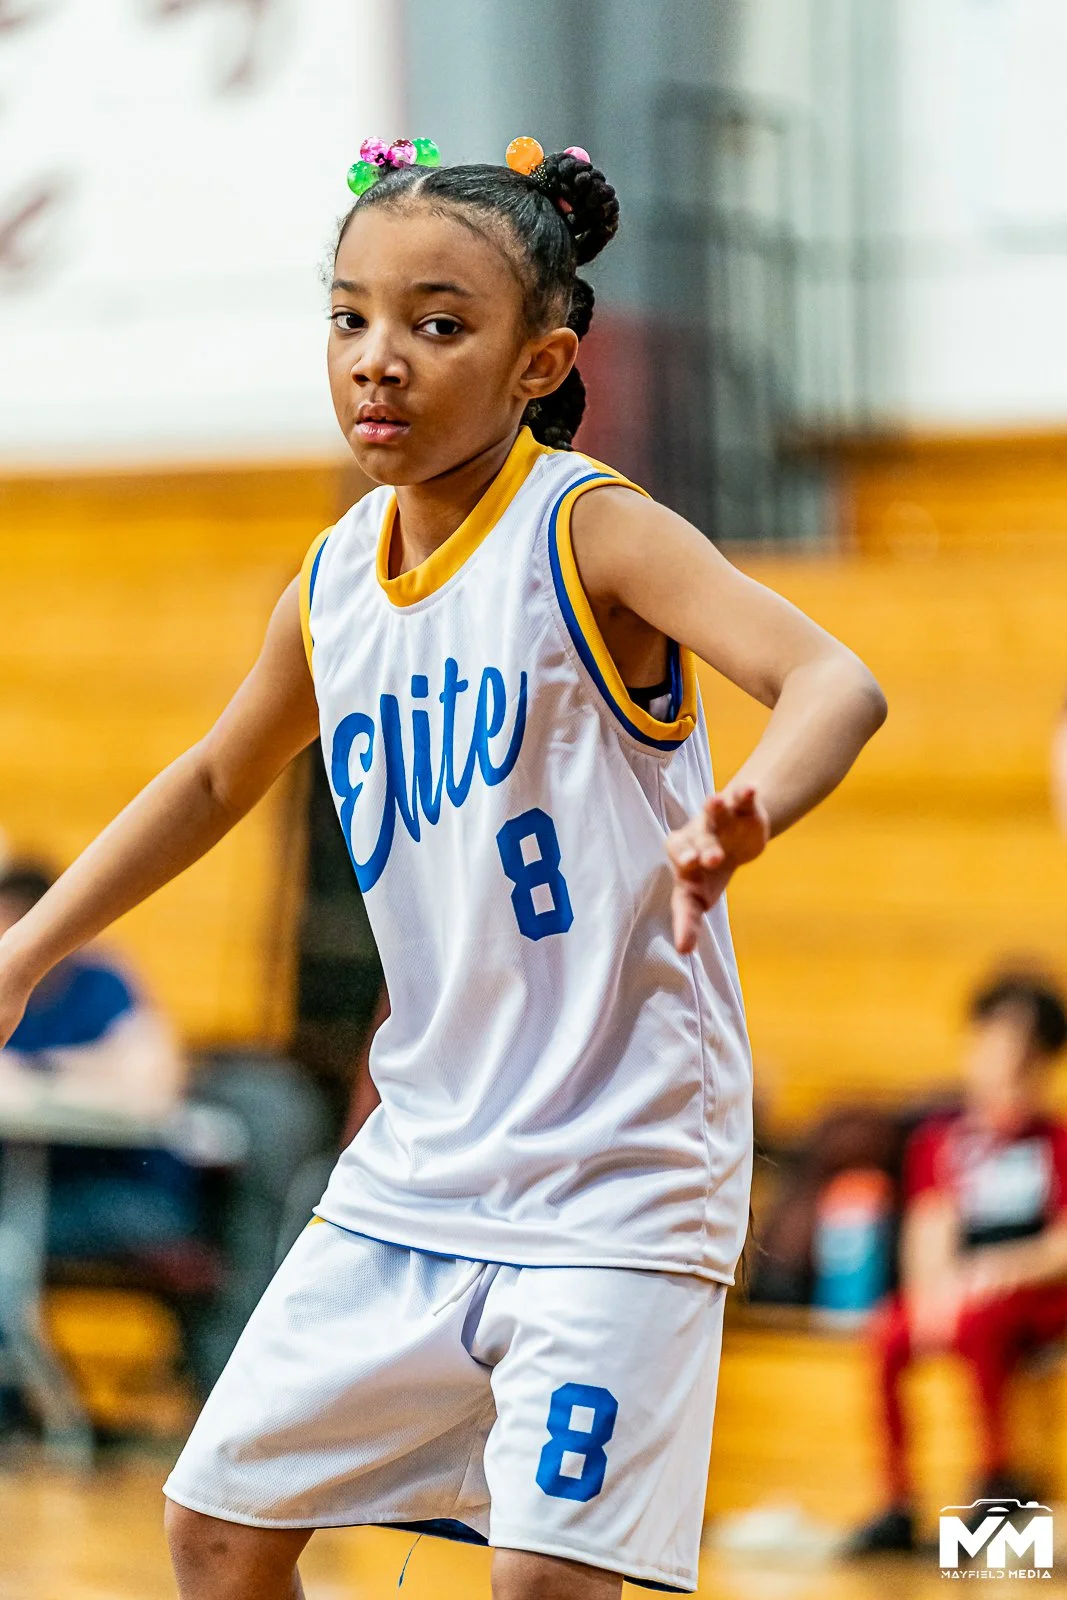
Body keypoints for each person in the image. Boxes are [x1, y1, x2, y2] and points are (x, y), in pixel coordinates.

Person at [0, 137, 886, 1599]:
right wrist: (32, 950)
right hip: (422, 1162)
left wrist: (748, 806)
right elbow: (219, 776)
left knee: (543, 1580)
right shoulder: (337, 581)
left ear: (537, 363)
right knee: (215, 1536)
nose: (379, 360)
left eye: (436, 323)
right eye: (349, 318)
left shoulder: (586, 527)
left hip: (620, 1159)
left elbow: (832, 682)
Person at [845, 972, 1067, 1556]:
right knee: (889, 1331)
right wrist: (930, 1296)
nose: (1002, 1065)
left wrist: (1001, 1270)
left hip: (1035, 1293)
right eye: (992, 1045)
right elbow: (929, 1226)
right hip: (966, 1291)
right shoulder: (944, 1139)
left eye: (1019, 1054)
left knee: (982, 1321)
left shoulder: (1055, 1141)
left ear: (1041, 1063)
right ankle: (897, 1499)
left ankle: (999, 1478)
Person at [0, 858, 195, 1260]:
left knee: (12, 1243)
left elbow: (155, 1083)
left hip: (119, 1190)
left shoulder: (103, 983)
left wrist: (42, 1068)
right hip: (36, 1187)